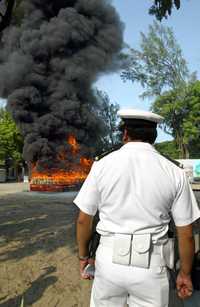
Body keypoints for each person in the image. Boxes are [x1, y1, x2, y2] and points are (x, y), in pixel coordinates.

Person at [74, 109, 200, 307]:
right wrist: (185, 273)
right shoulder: (174, 171)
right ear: (154, 136)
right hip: (152, 267)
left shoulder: (101, 165)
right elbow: (186, 233)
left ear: (125, 134)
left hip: (108, 263)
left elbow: (84, 219)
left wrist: (83, 256)